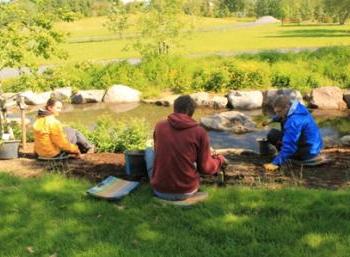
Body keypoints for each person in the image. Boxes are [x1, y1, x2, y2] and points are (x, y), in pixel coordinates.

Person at [148, 95, 225, 201]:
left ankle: (157, 179)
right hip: (187, 191)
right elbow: (205, 168)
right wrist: (219, 160)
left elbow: (159, 151)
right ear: (191, 112)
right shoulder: (199, 132)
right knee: (191, 159)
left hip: (159, 190)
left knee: (149, 152)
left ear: (174, 108)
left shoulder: (159, 126)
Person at [263, 96, 323, 172]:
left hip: (307, 152)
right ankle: (285, 155)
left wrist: (275, 163)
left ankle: (289, 158)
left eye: (279, 111)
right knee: (274, 133)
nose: (278, 114)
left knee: (272, 135)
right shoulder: (298, 108)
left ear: (287, 107)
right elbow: (282, 115)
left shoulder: (294, 121)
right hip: (315, 147)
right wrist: (272, 120)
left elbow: (290, 147)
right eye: (276, 112)